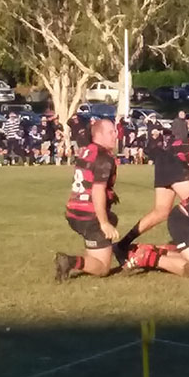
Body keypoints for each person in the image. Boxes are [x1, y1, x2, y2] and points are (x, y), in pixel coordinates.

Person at [55, 119, 120, 281]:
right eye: (111, 132)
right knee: (103, 268)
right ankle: (71, 261)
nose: (116, 135)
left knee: (112, 218)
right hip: (89, 215)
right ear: (99, 135)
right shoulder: (104, 158)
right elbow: (97, 191)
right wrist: (103, 223)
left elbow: (88, 179)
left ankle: (94, 250)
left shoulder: (87, 150)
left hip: (73, 211)